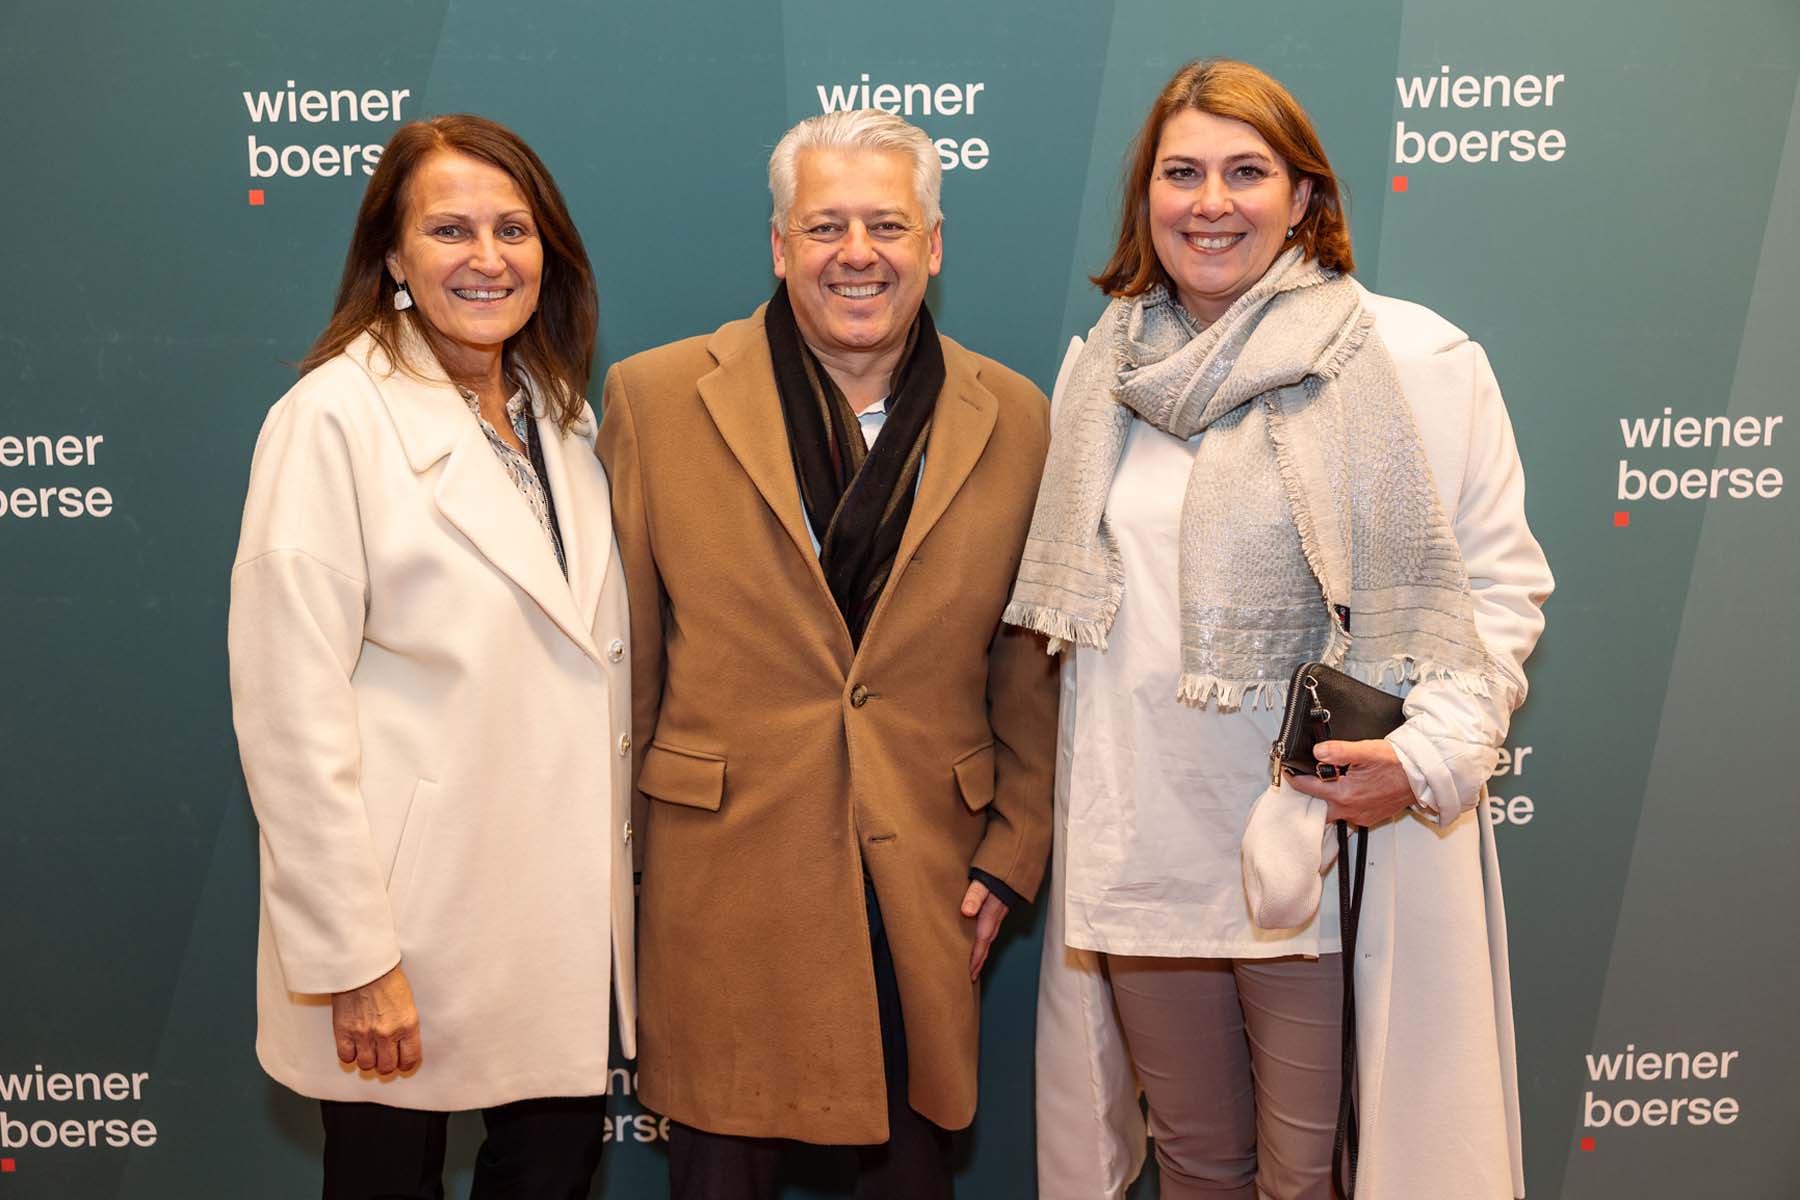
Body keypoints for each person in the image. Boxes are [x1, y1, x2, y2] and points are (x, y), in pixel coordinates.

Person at [1009, 60, 1552, 1200]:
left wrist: (1422, 759)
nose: (1211, 202)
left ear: (1302, 196)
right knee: (1196, 1164)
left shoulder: (1412, 362)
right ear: (1146, 199)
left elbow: (1497, 588)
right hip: (1149, 844)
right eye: (1182, 173)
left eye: (1246, 172)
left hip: (1315, 839)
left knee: (1313, 1176)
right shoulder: (1103, 374)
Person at [596, 108, 1057, 1200]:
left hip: (924, 875)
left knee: (909, 1173)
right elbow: (628, 668)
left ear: (933, 245)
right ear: (778, 245)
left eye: (887, 226)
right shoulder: (656, 399)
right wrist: (623, 868)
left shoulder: (1015, 417)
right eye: (824, 226)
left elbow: (1028, 671)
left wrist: (1012, 851)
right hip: (722, 876)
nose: (858, 254)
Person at [227, 114, 635, 1199]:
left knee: (550, 1173)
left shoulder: (560, 419)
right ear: (394, 258)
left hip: (551, 927)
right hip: (404, 932)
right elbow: (289, 715)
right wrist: (354, 960)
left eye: (514, 229)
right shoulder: (330, 418)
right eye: (449, 230)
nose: (487, 258)